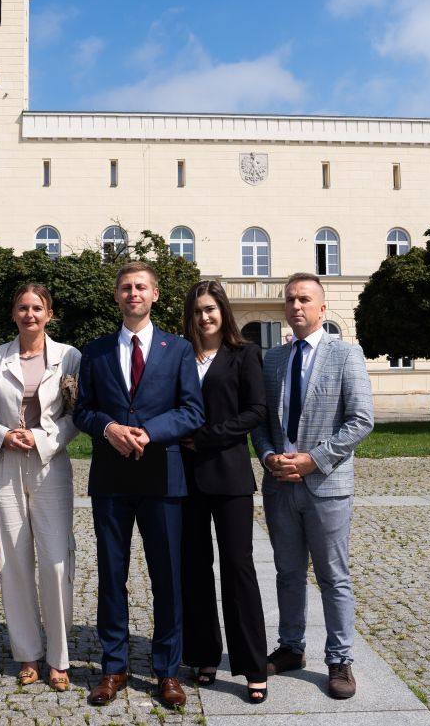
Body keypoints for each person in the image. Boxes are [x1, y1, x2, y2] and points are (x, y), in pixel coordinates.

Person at [73, 261, 205, 708]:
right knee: (112, 576)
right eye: (126, 287)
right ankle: (114, 667)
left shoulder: (179, 349)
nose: (133, 293)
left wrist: (150, 431)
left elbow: (192, 410)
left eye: (141, 287)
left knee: (166, 576)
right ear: (116, 296)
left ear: (155, 295)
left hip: (162, 477)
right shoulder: (95, 351)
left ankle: (167, 670)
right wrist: (108, 427)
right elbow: (83, 411)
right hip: (111, 479)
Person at [253, 272, 374, 700]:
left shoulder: (346, 355)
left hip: (326, 484)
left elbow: (361, 420)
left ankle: (340, 660)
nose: (296, 306)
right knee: (287, 572)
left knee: (333, 577)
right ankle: (290, 647)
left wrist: (313, 460)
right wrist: (269, 456)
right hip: (280, 484)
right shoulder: (272, 359)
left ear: (322, 308)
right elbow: (262, 423)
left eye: (304, 299)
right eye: (289, 300)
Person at [0, 284, 82, 692]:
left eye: (37, 308)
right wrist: (2, 434)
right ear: (13, 313)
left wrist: (41, 438)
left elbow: (76, 415)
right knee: (13, 560)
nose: (30, 314)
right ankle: (28, 654)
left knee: (56, 562)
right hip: (3, 468)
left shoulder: (69, 356)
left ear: (49, 314)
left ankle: (59, 658)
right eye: (23, 307)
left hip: (49, 465)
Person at [179, 280, 269, 703]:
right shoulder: (179, 354)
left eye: (211, 309)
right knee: (195, 569)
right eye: (197, 310)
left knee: (238, 569)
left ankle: (252, 664)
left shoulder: (245, 353)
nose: (204, 317)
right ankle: (204, 654)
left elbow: (257, 410)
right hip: (184, 477)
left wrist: (209, 436)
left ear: (223, 311)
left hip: (229, 475)